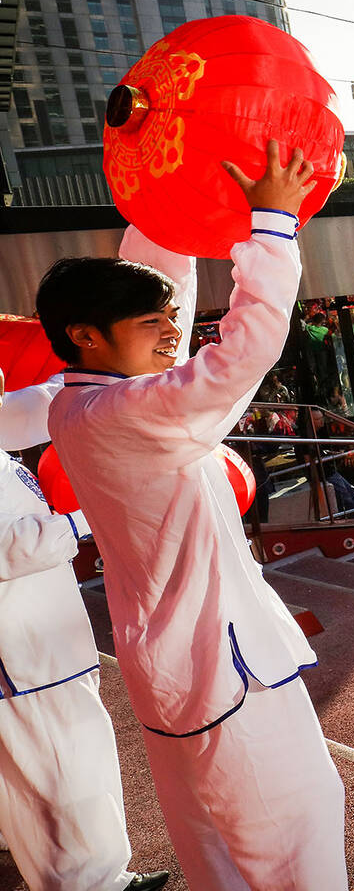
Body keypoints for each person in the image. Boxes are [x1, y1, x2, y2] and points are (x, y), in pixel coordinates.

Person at [37, 141, 347, 889]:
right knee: (294, 845)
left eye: (170, 319)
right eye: (154, 324)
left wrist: (167, 192)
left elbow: (165, 282)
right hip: (223, 672)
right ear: (86, 336)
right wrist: (271, 223)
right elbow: (244, 355)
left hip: (182, 671)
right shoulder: (125, 411)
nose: (173, 334)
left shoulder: (82, 404)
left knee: (218, 856)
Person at [0, 372, 170, 891]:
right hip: (26, 650)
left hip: (42, 639)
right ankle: (96, 884)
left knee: (46, 771)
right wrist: (86, 517)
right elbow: (12, 549)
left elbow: (46, 398)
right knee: (67, 768)